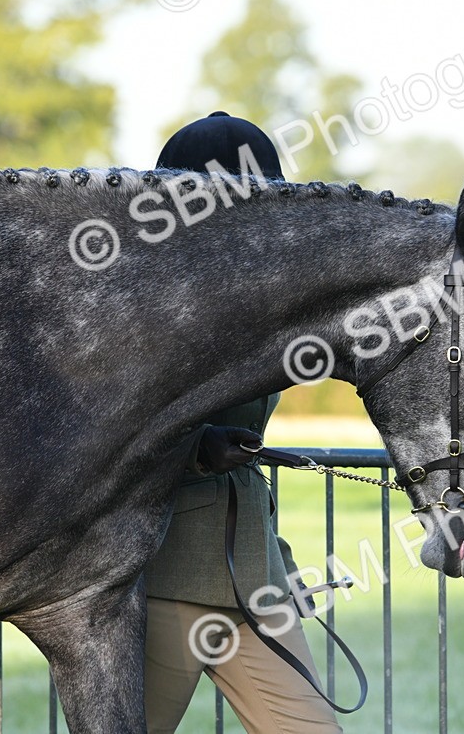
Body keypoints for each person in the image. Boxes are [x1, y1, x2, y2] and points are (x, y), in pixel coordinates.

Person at [142, 112, 341, 734]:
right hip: (165, 578)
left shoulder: (260, 295)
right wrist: (200, 451)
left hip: (257, 585)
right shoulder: (144, 303)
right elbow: (110, 438)